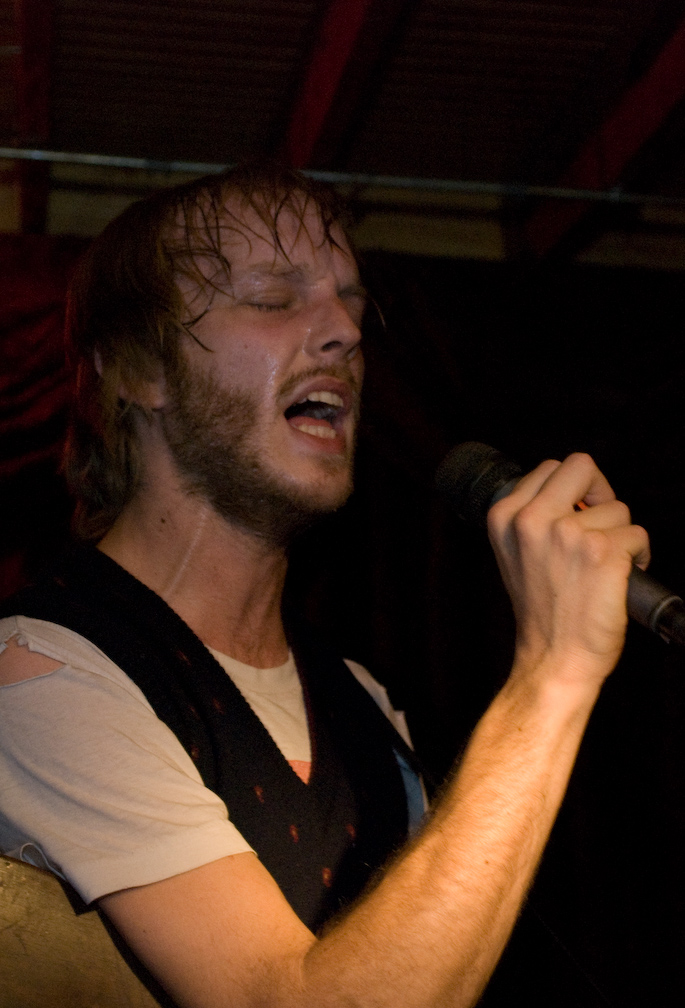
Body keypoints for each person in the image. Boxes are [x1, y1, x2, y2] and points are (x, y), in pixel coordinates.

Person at [0, 163, 649, 1008]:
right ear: (139, 369)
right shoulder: (39, 675)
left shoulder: (360, 700)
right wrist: (552, 676)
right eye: (273, 298)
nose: (342, 329)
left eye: (351, 302)